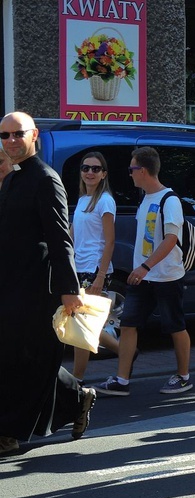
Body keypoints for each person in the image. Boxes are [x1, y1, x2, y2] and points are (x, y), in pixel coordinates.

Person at [0, 112, 94, 453]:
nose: (11, 140)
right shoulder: (13, 178)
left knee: (22, 357)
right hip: (9, 285)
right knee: (18, 357)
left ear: (33, 135)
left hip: (35, 289)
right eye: (5, 135)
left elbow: (60, 238)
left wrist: (70, 289)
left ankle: (8, 432)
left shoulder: (45, 178)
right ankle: (76, 398)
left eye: (17, 134)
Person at [96, 147, 194, 395]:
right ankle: (121, 380)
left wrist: (145, 265)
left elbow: (171, 239)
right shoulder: (145, 199)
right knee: (128, 324)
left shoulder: (169, 200)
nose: (130, 174)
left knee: (175, 326)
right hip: (144, 277)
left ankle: (183, 376)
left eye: (132, 169)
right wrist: (142, 269)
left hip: (166, 275)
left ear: (143, 170)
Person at [70, 152, 121, 383]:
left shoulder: (105, 200)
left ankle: (77, 379)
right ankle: (126, 352)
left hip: (95, 269)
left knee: (81, 325)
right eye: (86, 168)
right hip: (78, 267)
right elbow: (71, 236)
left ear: (103, 174)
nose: (90, 172)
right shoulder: (82, 200)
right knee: (83, 322)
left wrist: (101, 276)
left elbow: (110, 241)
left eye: (96, 169)